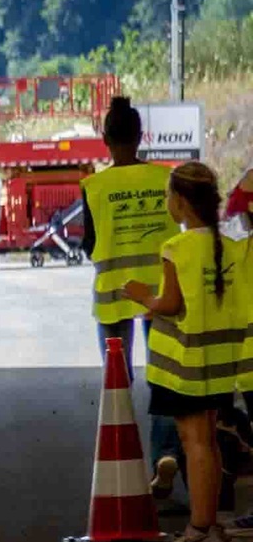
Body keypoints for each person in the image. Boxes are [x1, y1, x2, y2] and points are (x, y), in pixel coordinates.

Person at [120, 163, 246, 542]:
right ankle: (209, 524)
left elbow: (172, 304)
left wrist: (143, 296)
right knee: (207, 442)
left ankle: (199, 529)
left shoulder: (176, 248)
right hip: (219, 365)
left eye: (167, 196)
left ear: (178, 202)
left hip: (185, 368)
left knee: (195, 444)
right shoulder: (232, 247)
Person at [81, 98, 181, 505]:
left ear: (105, 140)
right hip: (162, 292)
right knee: (164, 375)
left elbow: (88, 244)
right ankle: (165, 456)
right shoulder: (165, 179)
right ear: (142, 137)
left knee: (119, 383)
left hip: (113, 296)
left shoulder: (94, 186)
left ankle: (124, 465)